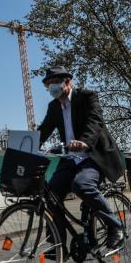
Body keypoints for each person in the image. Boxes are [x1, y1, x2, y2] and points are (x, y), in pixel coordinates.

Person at [38, 66, 125, 257]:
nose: (51, 87)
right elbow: (43, 130)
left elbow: (95, 121)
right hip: (70, 159)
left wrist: (84, 141)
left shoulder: (87, 97)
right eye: (48, 85)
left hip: (93, 156)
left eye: (55, 83)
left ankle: (115, 226)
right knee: (50, 193)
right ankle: (57, 245)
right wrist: (25, 145)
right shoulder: (53, 107)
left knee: (81, 184)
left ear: (67, 82)